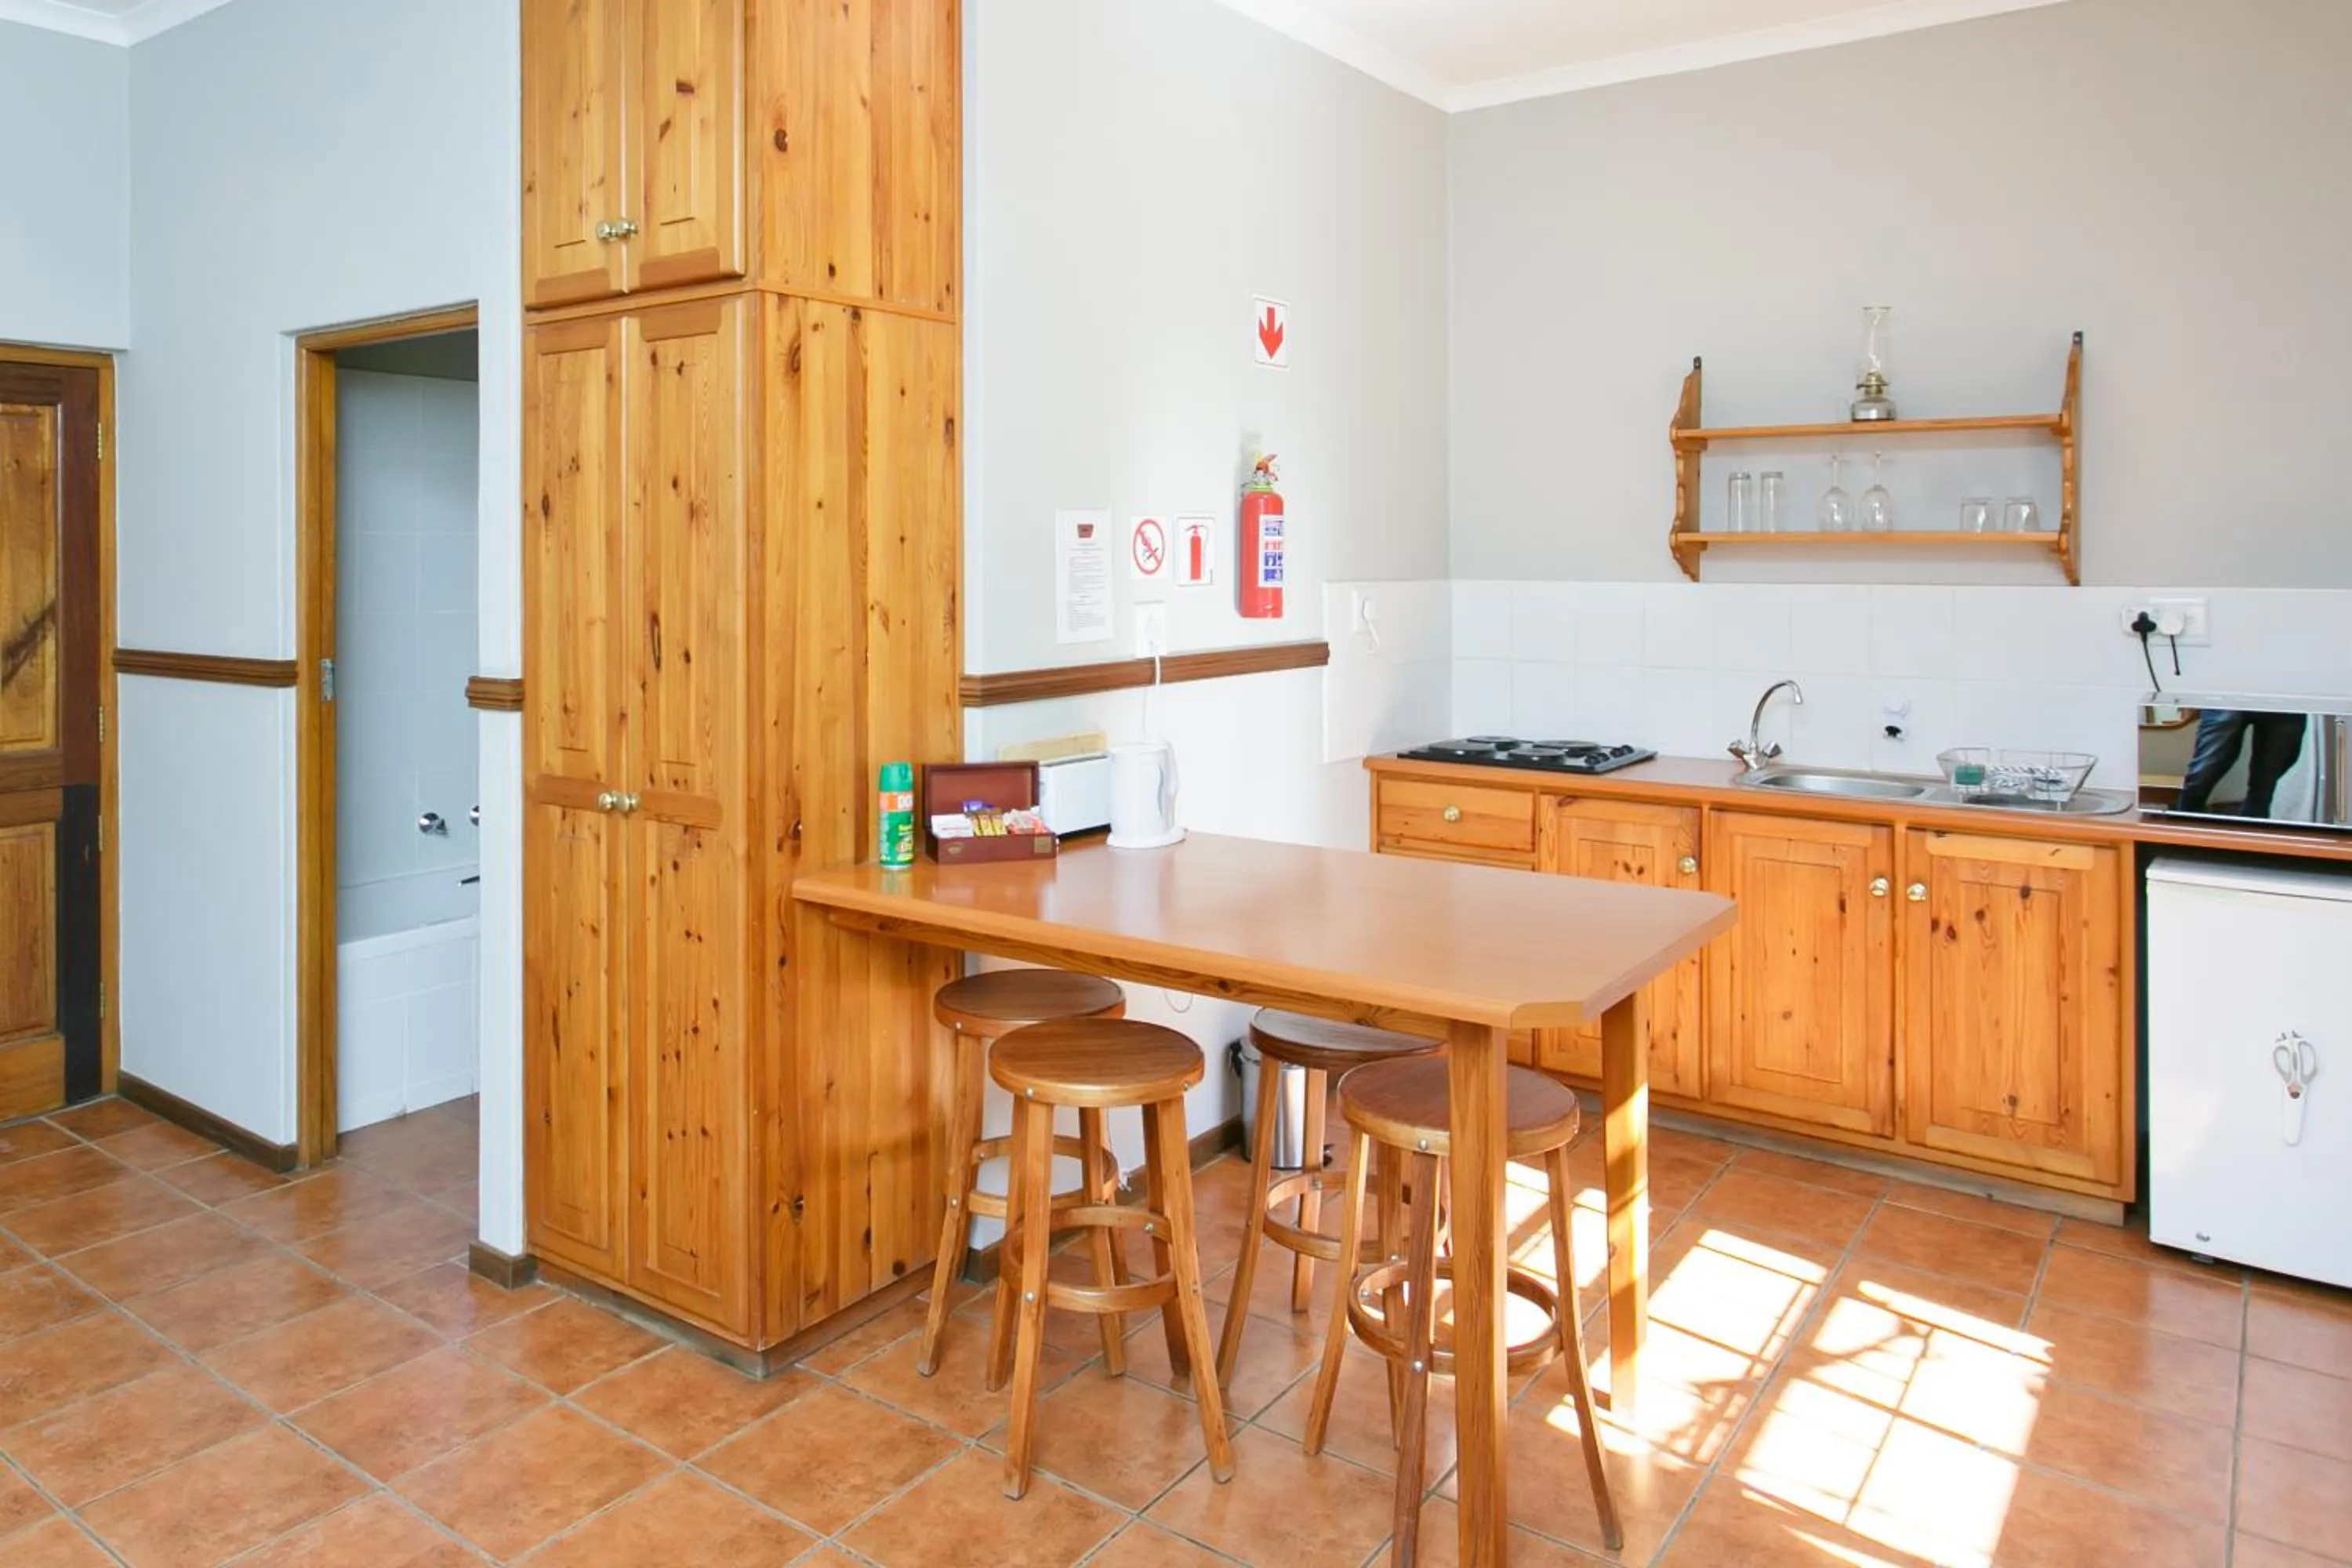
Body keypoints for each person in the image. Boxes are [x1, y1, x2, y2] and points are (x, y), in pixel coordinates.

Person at [2176, 708, 2307, 816]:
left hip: (2285, 694)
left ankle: (2251, 840)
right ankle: (2181, 831)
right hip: (2230, 688)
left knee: (2266, 786)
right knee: (2203, 773)